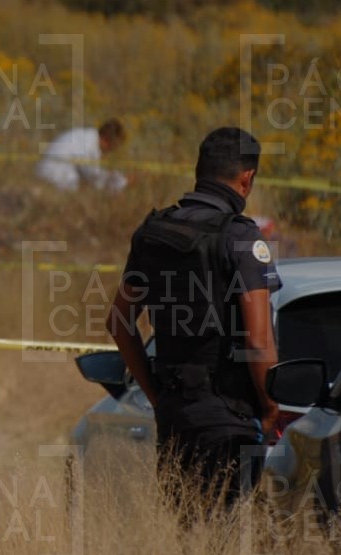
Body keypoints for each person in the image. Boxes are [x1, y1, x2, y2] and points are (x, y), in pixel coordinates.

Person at [108, 127, 281, 515]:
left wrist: (157, 395)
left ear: (198, 170)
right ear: (247, 179)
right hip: (229, 419)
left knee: (191, 538)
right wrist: (270, 408)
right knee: (231, 540)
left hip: (175, 415)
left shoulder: (153, 232)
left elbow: (120, 322)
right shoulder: (240, 237)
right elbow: (258, 341)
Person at [36, 119, 128, 192]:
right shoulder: (90, 146)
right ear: (107, 141)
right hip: (57, 178)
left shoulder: (85, 136)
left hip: (43, 173)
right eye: (114, 146)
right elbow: (94, 178)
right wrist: (122, 181)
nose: (111, 150)